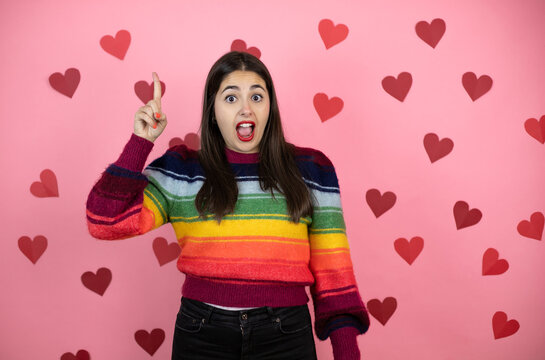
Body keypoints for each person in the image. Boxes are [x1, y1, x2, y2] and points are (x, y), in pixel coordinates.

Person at [86, 51, 370, 359]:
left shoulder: (312, 168)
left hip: (286, 335)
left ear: (270, 108)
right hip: (201, 334)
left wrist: (347, 353)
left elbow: (334, 274)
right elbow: (105, 221)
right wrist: (140, 142)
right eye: (231, 98)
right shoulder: (181, 169)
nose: (246, 108)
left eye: (257, 97)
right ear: (213, 111)